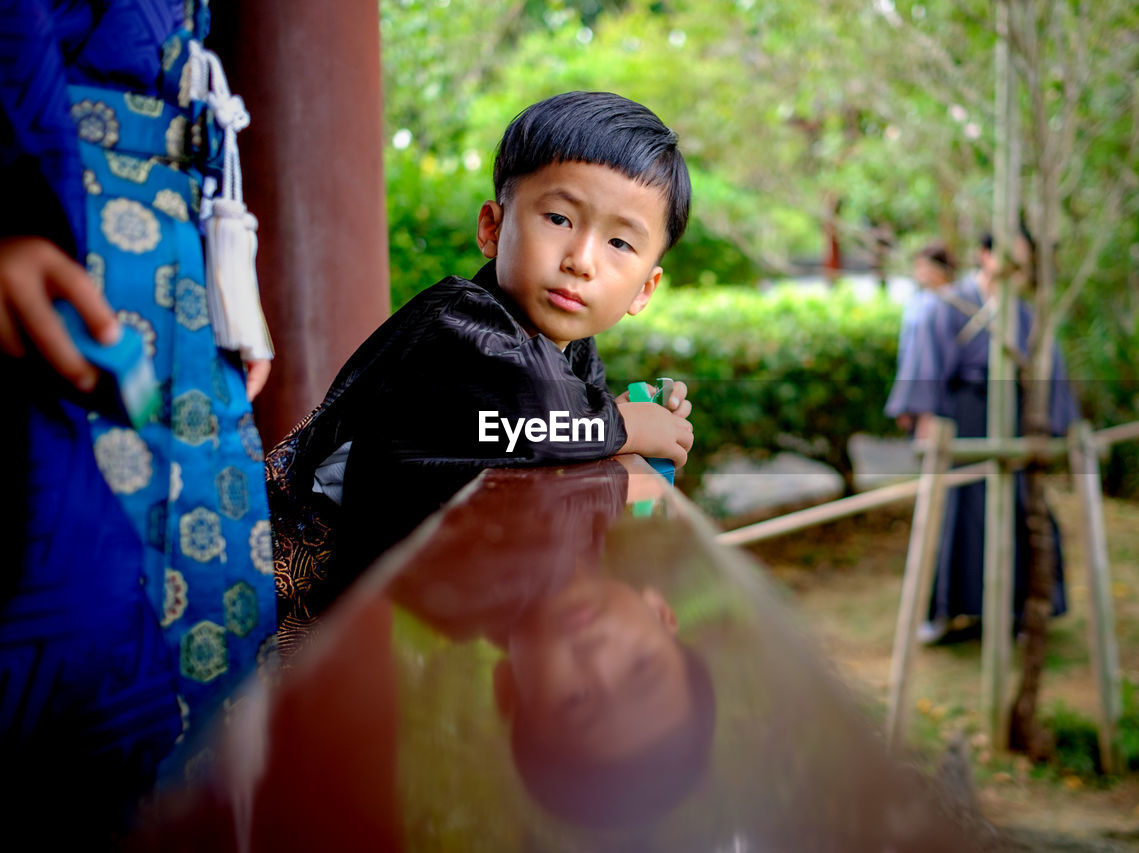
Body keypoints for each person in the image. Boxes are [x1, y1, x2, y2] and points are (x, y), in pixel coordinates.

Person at [268, 91, 695, 643]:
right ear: (492, 228)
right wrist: (628, 425)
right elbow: (535, 416)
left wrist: (629, 422)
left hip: (373, 600)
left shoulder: (570, 346)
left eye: (619, 241)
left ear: (645, 288)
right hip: (286, 570)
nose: (581, 261)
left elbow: (558, 438)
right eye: (560, 218)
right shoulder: (462, 325)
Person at [0, 0, 277, 838]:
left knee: (221, 639)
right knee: (74, 636)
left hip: (177, 254)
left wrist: (229, 280)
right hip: (54, 235)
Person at [391, 458, 715, 829]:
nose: (598, 659)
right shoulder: (594, 526)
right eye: (641, 667)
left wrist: (607, 437)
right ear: (661, 613)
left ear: (509, 689)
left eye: (575, 701)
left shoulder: (451, 589)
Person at [885, 231, 1078, 644]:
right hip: (965, 416)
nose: (1015, 269)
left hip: (1014, 419)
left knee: (1021, 509)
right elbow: (927, 358)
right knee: (959, 511)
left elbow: (1050, 366)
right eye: (1009, 258)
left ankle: (1021, 611)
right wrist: (926, 414)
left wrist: (1055, 422)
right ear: (985, 255)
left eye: (1022, 262)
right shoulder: (949, 304)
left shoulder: (1027, 314)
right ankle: (948, 611)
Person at [892, 241, 957, 431]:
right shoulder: (917, 302)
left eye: (923, 266)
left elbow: (935, 360)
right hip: (917, 395)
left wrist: (927, 408)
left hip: (943, 399)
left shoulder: (951, 303)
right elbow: (907, 358)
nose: (918, 272)